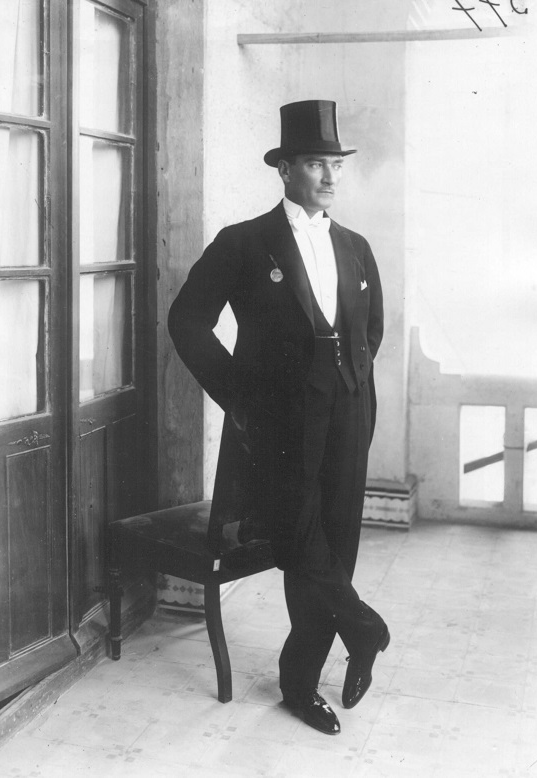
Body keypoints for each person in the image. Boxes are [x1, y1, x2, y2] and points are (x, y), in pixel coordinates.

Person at [168, 100, 389, 736]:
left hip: (349, 415)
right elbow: (187, 319)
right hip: (279, 423)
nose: (330, 176)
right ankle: (364, 629)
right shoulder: (243, 242)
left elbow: (370, 331)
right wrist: (240, 395)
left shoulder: (355, 247)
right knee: (298, 538)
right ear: (285, 169)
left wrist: (350, 383)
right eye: (316, 163)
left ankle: (302, 680)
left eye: (336, 164)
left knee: (338, 541)